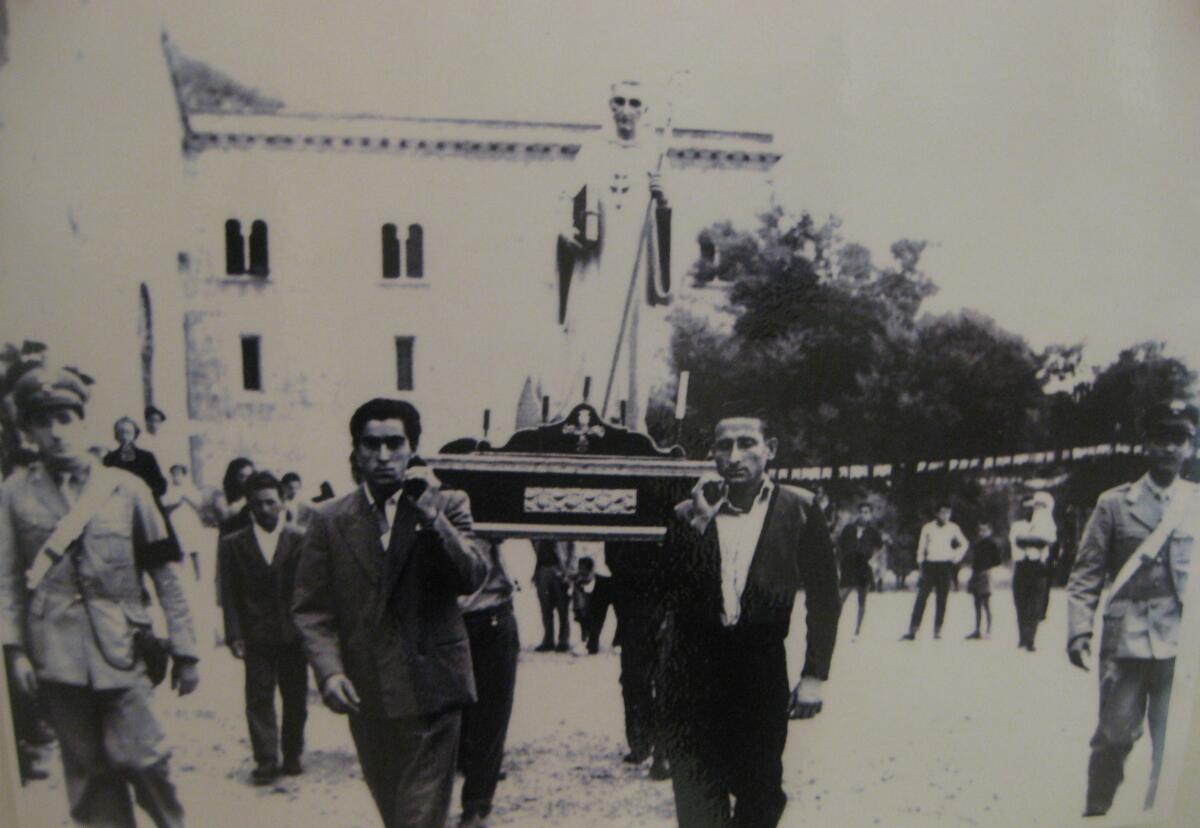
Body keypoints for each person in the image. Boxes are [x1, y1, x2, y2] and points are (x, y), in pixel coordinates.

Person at [0, 363, 198, 827]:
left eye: (65, 419)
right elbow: (6, 579)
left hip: (123, 649)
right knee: (89, 777)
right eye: (42, 422)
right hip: (56, 656)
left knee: (147, 759)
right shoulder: (12, 496)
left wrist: (186, 650)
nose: (55, 433)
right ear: (27, 429)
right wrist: (14, 652)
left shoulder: (127, 490)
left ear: (84, 422)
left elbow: (166, 575)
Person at [292, 398, 488, 828]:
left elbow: (472, 575)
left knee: (416, 820)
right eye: (371, 445)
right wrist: (329, 672)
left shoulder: (448, 504)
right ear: (355, 452)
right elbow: (312, 608)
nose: (382, 457)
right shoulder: (328, 519)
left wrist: (433, 519)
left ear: (412, 449)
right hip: (369, 694)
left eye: (394, 444)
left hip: (434, 691)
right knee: (397, 815)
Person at [655, 412, 841, 827]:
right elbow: (668, 593)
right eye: (724, 446)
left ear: (770, 450)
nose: (734, 455)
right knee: (698, 796)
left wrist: (814, 675)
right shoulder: (688, 512)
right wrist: (700, 524)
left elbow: (825, 599)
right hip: (694, 671)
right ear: (712, 453)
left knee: (761, 795)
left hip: (760, 669)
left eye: (747, 444)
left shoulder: (800, 509)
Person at [1066, 399, 1199, 817]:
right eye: (1163, 439)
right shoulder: (1114, 504)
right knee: (1114, 735)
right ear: (1147, 445)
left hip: (1182, 639)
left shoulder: (1195, 503)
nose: (1171, 449)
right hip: (1126, 640)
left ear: (1191, 447)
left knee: (1174, 739)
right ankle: (1097, 808)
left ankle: (1163, 816)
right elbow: (1087, 572)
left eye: (1180, 440)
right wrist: (1079, 629)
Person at [218, 471, 309, 785]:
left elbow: (311, 589)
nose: (265, 510)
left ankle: (293, 753)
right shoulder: (233, 544)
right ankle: (266, 760)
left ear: (283, 502)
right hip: (255, 634)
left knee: (295, 697)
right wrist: (233, 634)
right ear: (249, 506)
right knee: (258, 697)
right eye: (257, 504)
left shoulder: (299, 539)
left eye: (271, 502)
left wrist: (312, 630)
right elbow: (227, 593)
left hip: (294, 634)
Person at [457, 539, 519, 828]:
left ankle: (477, 805)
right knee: (451, 719)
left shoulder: (496, 508)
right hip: (448, 621)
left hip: (493, 616)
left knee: (491, 717)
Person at [900, 503, 968, 641]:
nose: (945, 516)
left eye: (948, 513)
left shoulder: (953, 528)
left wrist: (955, 557)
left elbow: (964, 544)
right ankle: (913, 629)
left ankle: (938, 629)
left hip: (945, 565)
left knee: (942, 599)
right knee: (921, 598)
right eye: (942, 513)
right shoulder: (928, 528)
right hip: (930, 566)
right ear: (937, 513)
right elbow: (921, 549)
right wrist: (921, 568)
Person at [1010, 492, 1057, 651]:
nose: (1029, 511)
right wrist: (1038, 541)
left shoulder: (1046, 524)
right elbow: (1017, 541)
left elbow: (1048, 541)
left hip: (1038, 566)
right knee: (1021, 602)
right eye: (1026, 508)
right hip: (1022, 565)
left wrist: (1033, 540)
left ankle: (1031, 639)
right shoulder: (1017, 526)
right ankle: (1023, 636)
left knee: (1036, 603)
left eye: (1033, 507)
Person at [836, 502, 883, 639]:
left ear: (870, 515)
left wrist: (874, 561)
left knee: (862, 600)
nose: (864, 515)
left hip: (864, 567)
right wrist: (839, 565)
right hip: (849, 567)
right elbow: (840, 546)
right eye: (862, 511)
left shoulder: (873, 531)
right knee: (840, 598)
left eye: (867, 512)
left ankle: (857, 631)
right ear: (858, 513)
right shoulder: (849, 529)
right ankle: (832, 627)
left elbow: (880, 547)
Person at [964, 522, 1004, 640]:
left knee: (986, 604)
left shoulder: (992, 544)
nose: (982, 533)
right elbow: (973, 559)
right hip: (976, 574)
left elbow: (998, 561)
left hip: (985, 574)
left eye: (985, 530)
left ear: (990, 531)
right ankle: (977, 629)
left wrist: (988, 569)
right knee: (976, 604)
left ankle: (988, 630)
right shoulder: (976, 544)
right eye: (980, 530)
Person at [531, 539, 572, 652]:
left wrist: (568, 572)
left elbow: (572, 549)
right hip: (542, 568)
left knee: (563, 607)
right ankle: (548, 639)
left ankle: (564, 640)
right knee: (545, 608)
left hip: (559, 568)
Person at [214, 457, 255, 536]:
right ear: (233, 476)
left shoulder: (254, 491)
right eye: (241, 476)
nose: (245, 480)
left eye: (249, 477)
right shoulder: (220, 493)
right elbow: (224, 515)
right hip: (229, 536)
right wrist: (245, 499)